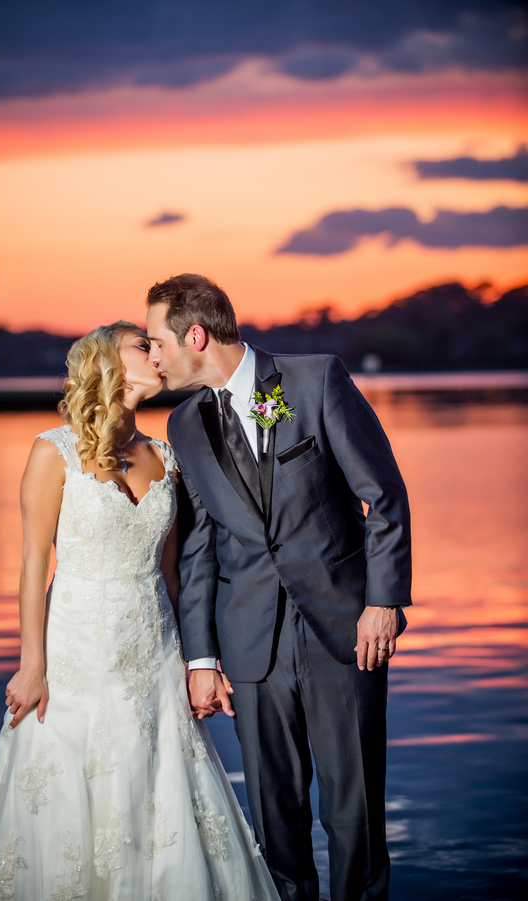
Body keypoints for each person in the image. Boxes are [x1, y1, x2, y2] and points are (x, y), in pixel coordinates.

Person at [0, 321, 280, 901]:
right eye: (143, 345)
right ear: (107, 360)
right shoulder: (51, 451)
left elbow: (176, 574)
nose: (157, 354)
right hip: (76, 654)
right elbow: (33, 566)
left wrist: (198, 660)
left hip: (154, 653)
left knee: (160, 788)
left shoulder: (167, 456)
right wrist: (32, 665)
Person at [146, 276, 412, 901]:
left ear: (195, 334)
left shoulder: (315, 380)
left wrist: (383, 601)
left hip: (343, 629)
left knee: (356, 813)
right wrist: (202, 658)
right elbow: (199, 545)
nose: (153, 358)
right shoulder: (184, 425)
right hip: (249, 643)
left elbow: (385, 496)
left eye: (157, 342)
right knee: (274, 819)